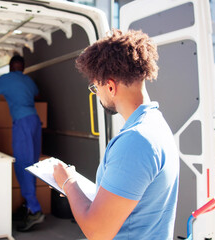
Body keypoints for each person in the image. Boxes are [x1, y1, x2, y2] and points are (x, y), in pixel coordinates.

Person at [53, 29, 179, 239]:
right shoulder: (155, 124)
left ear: (110, 86)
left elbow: (97, 232)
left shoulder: (135, 140)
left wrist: (69, 182)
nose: (96, 93)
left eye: (95, 87)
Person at [0, 55, 44, 232]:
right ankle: (30, 207)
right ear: (23, 67)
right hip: (35, 121)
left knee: (23, 165)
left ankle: (34, 210)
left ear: (10, 67)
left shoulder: (5, 79)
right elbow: (37, 94)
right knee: (33, 165)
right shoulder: (28, 80)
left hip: (22, 123)